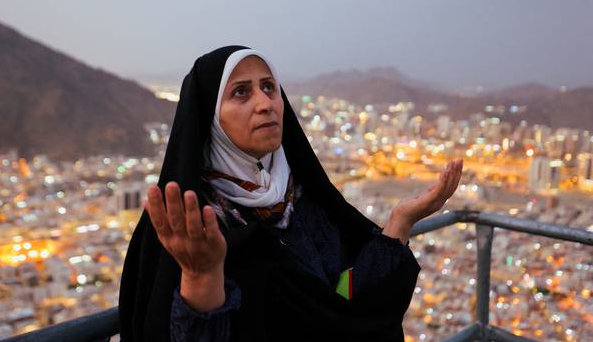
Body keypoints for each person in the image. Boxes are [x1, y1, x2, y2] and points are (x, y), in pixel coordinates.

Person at [118, 45, 464, 341]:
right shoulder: (183, 221)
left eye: (269, 87)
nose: (266, 103)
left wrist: (400, 223)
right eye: (241, 92)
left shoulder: (302, 201)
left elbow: (347, 305)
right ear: (209, 117)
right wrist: (200, 276)